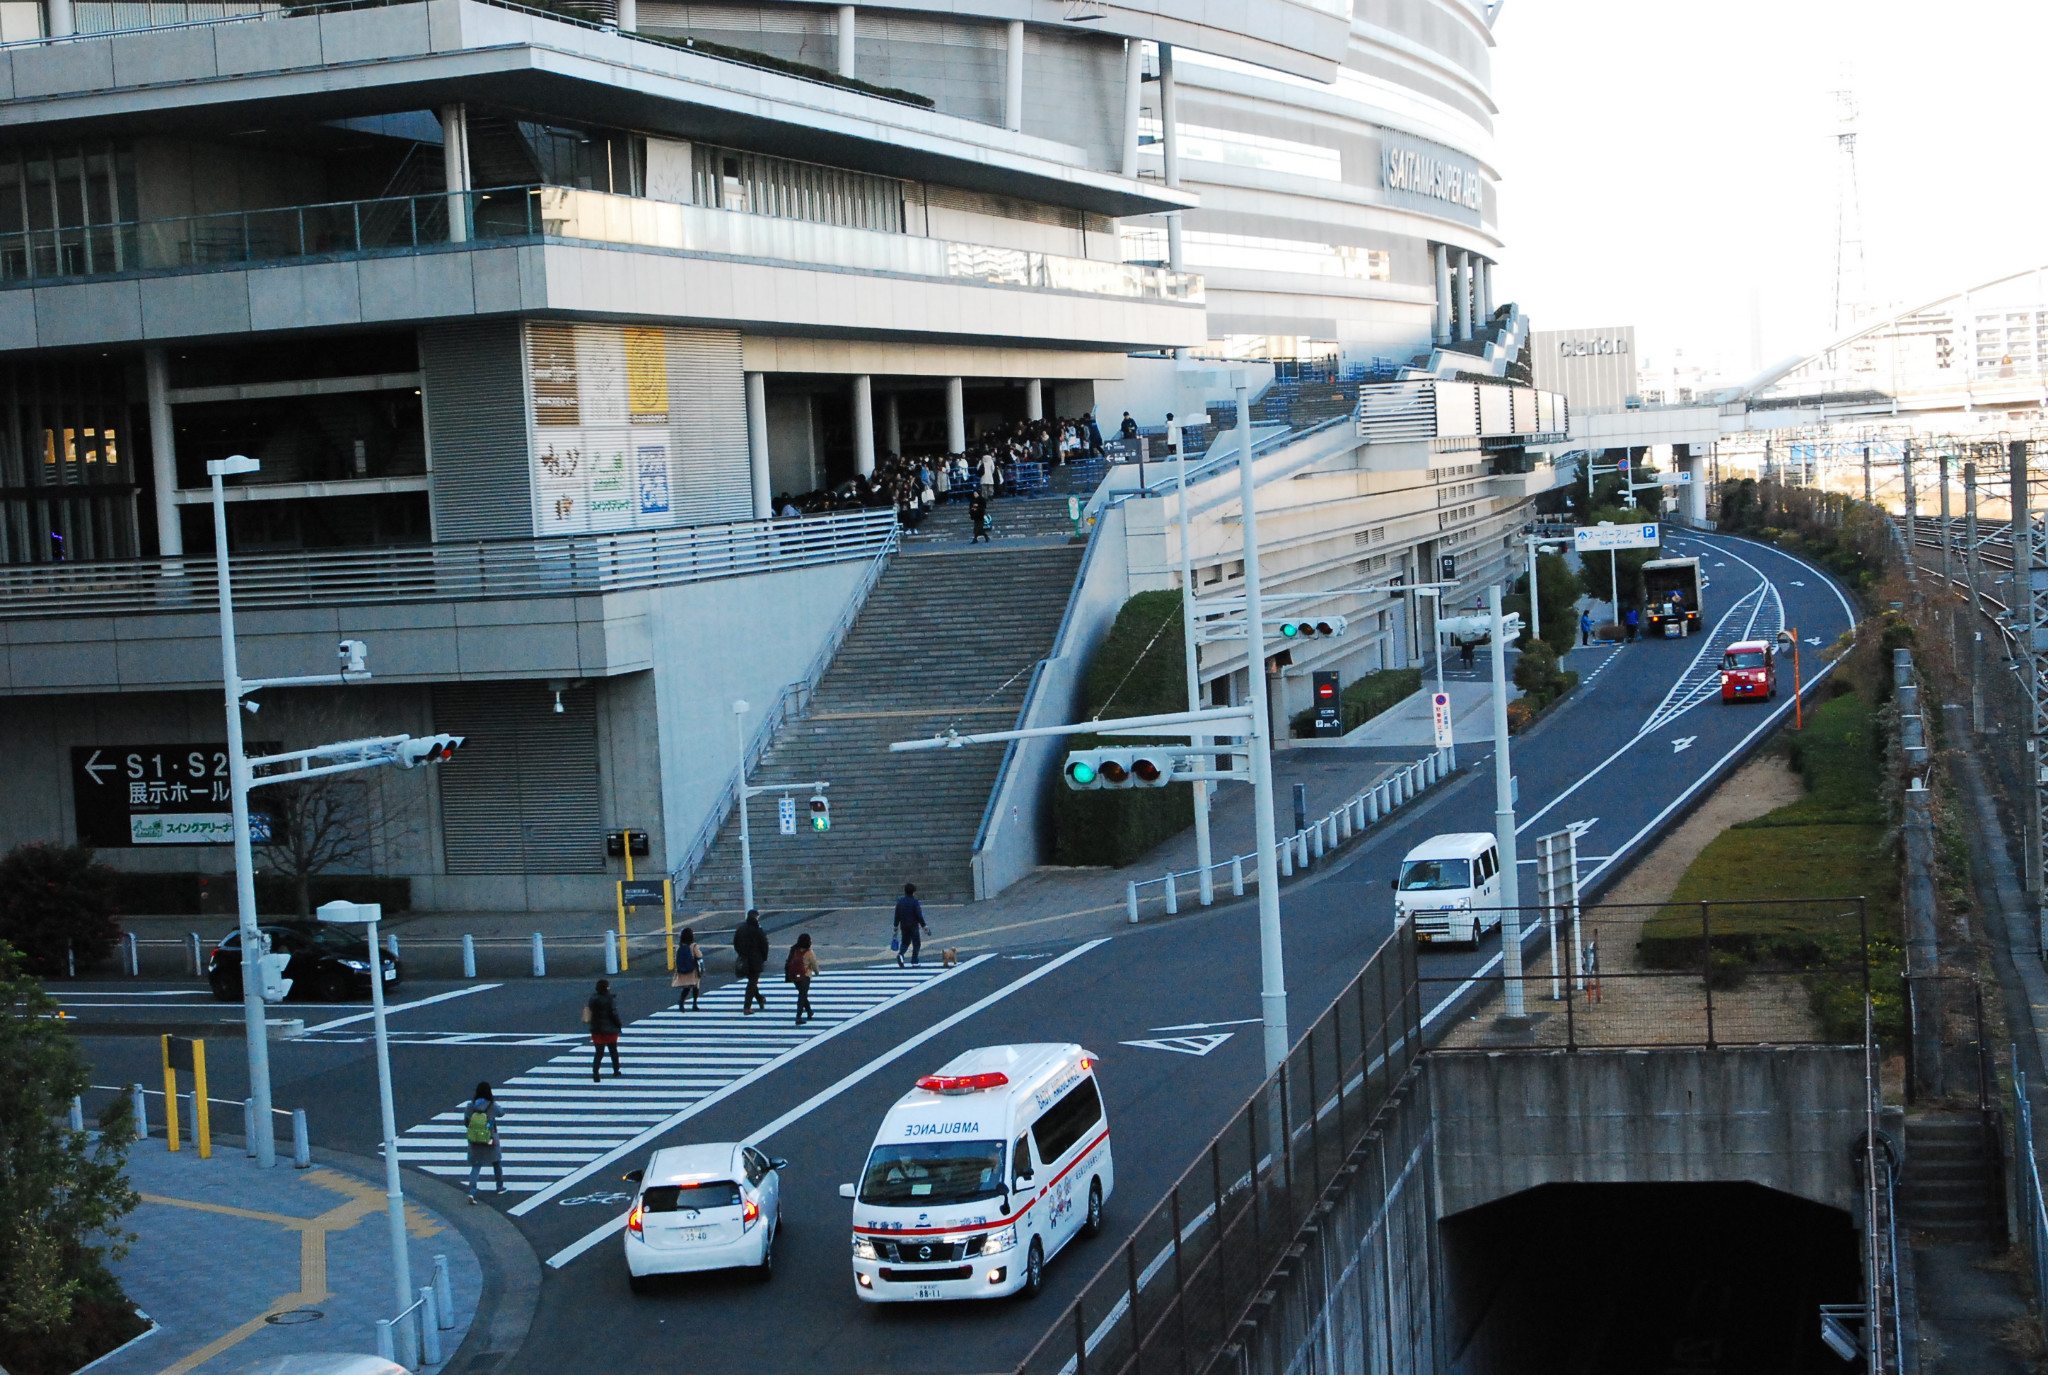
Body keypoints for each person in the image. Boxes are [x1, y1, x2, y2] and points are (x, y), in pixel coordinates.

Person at [463, 1082, 504, 1202]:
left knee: (476, 1166)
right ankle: (499, 1186)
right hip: (490, 1139)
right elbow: (502, 1113)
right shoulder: (492, 1105)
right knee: (496, 1162)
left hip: (475, 1140)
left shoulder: (470, 1106)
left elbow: (466, 1123)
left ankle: (472, 1191)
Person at [734, 909, 771, 1014]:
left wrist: (741, 954)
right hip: (756, 961)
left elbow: (735, 943)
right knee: (752, 983)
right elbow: (764, 945)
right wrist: (764, 958)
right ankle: (747, 1007)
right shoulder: (758, 930)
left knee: (752, 982)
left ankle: (760, 998)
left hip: (744, 960)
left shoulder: (740, 929)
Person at [586, 979, 622, 1082]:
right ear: (606, 988)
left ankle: (595, 1073)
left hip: (596, 1029)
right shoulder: (610, 1000)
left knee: (599, 1053)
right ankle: (616, 1070)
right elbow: (614, 1014)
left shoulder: (592, 999)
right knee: (613, 1050)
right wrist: (618, 1025)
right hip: (609, 1029)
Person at [785, 933, 819, 1025]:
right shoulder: (809, 953)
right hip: (805, 976)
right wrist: (817, 972)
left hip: (794, 976)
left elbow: (788, 961)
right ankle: (798, 1017)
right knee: (802, 996)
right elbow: (814, 964)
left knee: (802, 994)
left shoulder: (793, 950)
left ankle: (809, 1011)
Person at [893, 883, 929, 968]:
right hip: (913, 926)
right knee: (916, 943)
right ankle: (914, 960)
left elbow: (897, 915)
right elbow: (919, 915)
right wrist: (924, 926)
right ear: (913, 892)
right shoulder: (915, 902)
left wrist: (895, 925)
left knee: (905, 942)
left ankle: (901, 954)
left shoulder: (900, 902)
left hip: (904, 926)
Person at [671, 926, 703, 1011]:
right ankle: (694, 1004)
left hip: (682, 969)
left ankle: (681, 1001)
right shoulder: (693, 946)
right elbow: (699, 955)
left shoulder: (679, 947)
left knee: (686, 987)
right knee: (695, 986)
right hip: (693, 969)